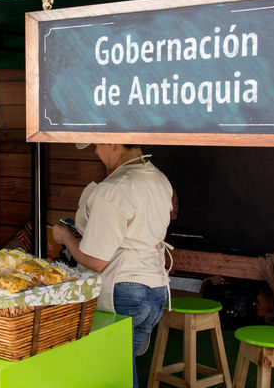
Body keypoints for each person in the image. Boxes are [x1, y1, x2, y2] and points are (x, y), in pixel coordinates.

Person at [52, 143, 173, 388]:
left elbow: (96, 261)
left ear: (111, 145)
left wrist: (66, 237)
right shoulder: (160, 179)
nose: (95, 152)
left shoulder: (113, 189)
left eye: (96, 145)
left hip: (124, 292)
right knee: (122, 370)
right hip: (156, 291)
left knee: (110, 374)